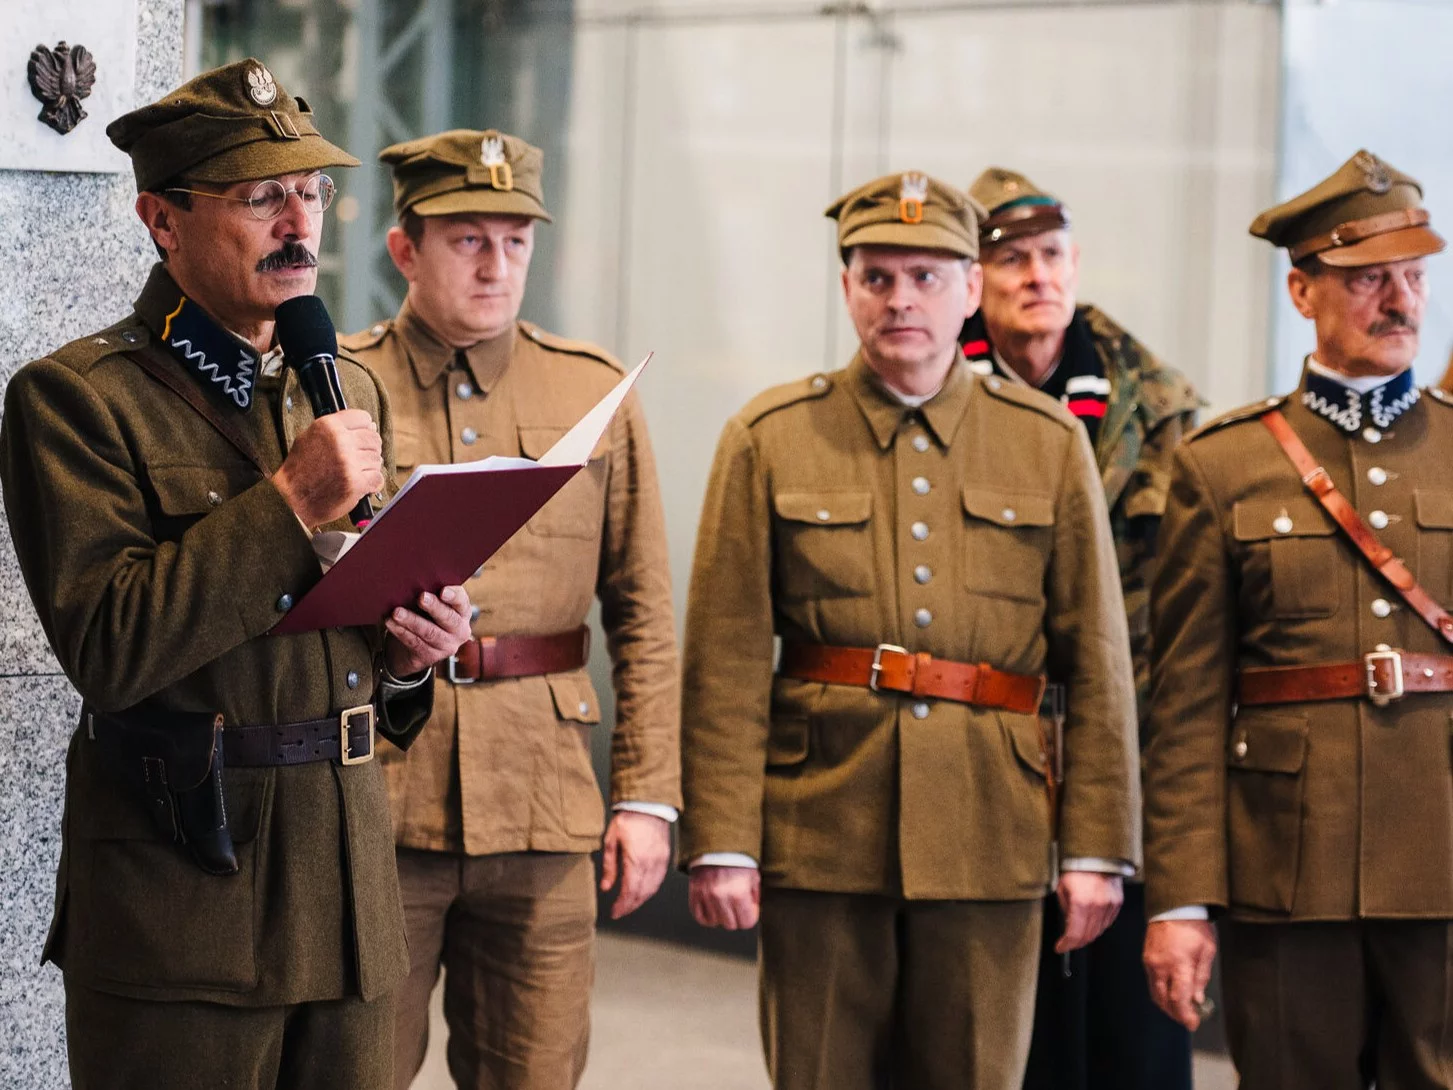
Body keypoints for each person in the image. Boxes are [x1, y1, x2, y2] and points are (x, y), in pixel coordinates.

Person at [0, 61, 474, 1089]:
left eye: (311, 193)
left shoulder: (341, 390)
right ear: (161, 222)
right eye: (261, 198)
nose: (297, 223)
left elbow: (352, 665)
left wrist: (406, 658)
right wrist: (289, 504)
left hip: (347, 900)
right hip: (186, 906)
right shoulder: (78, 401)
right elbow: (110, 650)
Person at [677, 171, 1141, 1090]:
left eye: (928, 277)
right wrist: (722, 839)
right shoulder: (770, 435)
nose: (902, 300)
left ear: (971, 289)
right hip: (820, 826)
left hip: (989, 830)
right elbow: (724, 658)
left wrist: (1095, 848)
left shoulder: (1047, 442)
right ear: (846, 286)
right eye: (878, 276)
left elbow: (1096, 660)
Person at [341, 128, 680, 1090]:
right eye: (467, 240)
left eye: (516, 241)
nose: (496, 265)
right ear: (405, 249)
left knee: (534, 1073)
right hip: (379, 797)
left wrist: (647, 796)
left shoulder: (590, 390)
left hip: (543, 798)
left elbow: (644, 608)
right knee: (354, 1069)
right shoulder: (342, 385)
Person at [1142, 149, 1453, 1089]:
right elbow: (1185, 707)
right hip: (1286, 865)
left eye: (1411, 274)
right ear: (1300, 291)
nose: (1398, 301)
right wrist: (1181, 902)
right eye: (1366, 280)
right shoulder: (1221, 466)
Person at [961, 167, 1201, 1090]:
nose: (1036, 277)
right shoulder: (932, 389)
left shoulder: (1158, 408)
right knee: (1005, 1043)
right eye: (1010, 258)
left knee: (1131, 1047)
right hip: (987, 762)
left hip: (1123, 757)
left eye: (1051, 255)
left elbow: (1187, 620)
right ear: (974, 276)